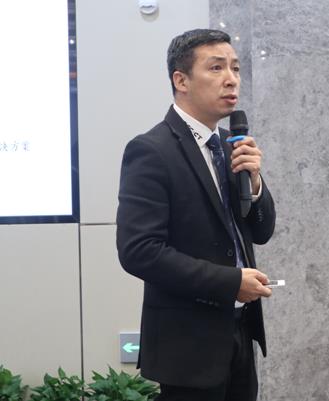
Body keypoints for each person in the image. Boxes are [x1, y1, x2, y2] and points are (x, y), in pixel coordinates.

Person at [116, 28, 276, 401]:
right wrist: (229, 282)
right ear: (181, 80)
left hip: (240, 333)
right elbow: (139, 251)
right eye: (216, 68)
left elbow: (262, 231)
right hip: (187, 346)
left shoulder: (231, 147)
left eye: (235, 68)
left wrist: (254, 182)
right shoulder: (151, 150)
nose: (231, 79)